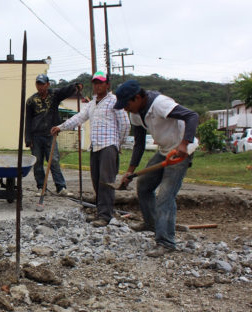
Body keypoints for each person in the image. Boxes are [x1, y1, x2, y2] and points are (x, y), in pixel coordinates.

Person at [114, 80, 199, 257]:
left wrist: (184, 144)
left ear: (137, 97)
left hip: (181, 152)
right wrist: (130, 171)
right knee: (144, 185)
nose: (126, 109)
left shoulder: (160, 104)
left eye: (127, 104)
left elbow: (192, 116)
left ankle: (166, 242)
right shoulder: (136, 113)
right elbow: (138, 144)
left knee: (165, 196)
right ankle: (151, 223)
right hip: (164, 151)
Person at [51, 71, 130, 227]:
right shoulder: (92, 103)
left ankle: (105, 216)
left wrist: (118, 144)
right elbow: (78, 118)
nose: (97, 85)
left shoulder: (114, 101)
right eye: (95, 82)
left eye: (100, 82)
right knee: (95, 180)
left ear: (107, 84)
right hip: (95, 147)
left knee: (106, 182)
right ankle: (101, 212)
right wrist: (61, 127)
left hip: (108, 145)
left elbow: (125, 124)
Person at [25, 74, 82, 196]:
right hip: (36, 136)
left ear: (48, 84)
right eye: (38, 84)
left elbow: (64, 91)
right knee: (37, 163)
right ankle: (41, 187)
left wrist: (75, 86)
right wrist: (28, 138)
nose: (40, 87)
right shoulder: (31, 101)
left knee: (54, 161)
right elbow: (28, 120)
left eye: (42, 84)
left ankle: (61, 187)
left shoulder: (54, 95)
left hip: (51, 134)